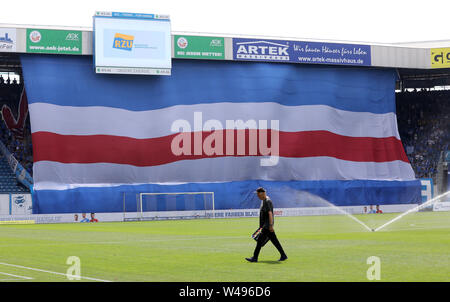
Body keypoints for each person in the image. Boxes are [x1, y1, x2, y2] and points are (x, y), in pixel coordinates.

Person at [246, 187, 287, 262]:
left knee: (259, 242)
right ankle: (283, 255)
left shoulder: (267, 201)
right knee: (274, 241)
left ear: (262, 194)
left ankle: (255, 258)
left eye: (258, 195)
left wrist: (271, 225)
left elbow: (270, 213)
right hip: (265, 226)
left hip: (267, 227)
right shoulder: (264, 201)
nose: (257, 196)